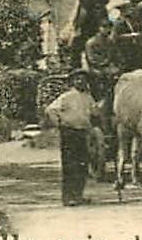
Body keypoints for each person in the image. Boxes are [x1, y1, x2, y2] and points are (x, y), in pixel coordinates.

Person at [43, 70, 100, 206]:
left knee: (82, 165)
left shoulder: (88, 97)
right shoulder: (66, 96)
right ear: (73, 82)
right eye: (77, 79)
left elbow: (95, 112)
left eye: (83, 79)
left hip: (83, 133)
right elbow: (50, 110)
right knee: (70, 165)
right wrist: (59, 123)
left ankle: (78, 195)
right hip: (69, 132)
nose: (81, 82)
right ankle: (68, 197)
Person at [69, 0, 112, 67]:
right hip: (87, 18)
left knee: (99, 40)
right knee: (81, 40)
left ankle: (97, 62)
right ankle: (75, 64)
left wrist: (99, 3)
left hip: (99, 17)